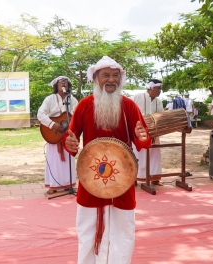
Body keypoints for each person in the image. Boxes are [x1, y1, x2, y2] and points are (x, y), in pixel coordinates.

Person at [63, 56, 151, 263]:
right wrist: (70, 144)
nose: (111, 80)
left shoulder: (129, 105)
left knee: (124, 229)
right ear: (95, 79)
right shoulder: (85, 105)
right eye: (106, 76)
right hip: (91, 178)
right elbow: (71, 137)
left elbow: (143, 138)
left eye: (115, 76)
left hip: (123, 179)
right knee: (87, 229)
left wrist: (143, 137)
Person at [37, 76, 78, 195]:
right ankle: (53, 186)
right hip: (53, 133)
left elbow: (78, 113)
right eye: (61, 82)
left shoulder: (72, 100)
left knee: (69, 159)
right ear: (56, 86)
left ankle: (68, 184)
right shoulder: (49, 99)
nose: (63, 83)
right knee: (54, 160)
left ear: (69, 86)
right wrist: (52, 124)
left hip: (67, 133)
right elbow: (40, 114)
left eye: (66, 82)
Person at [132, 79, 164, 185]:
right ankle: (135, 178)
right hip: (139, 132)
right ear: (151, 88)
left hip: (155, 132)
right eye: (158, 88)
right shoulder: (138, 97)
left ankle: (155, 178)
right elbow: (129, 112)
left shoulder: (159, 101)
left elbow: (161, 115)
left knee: (155, 155)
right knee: (138, 154)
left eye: (160, 88)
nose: (160, 91)